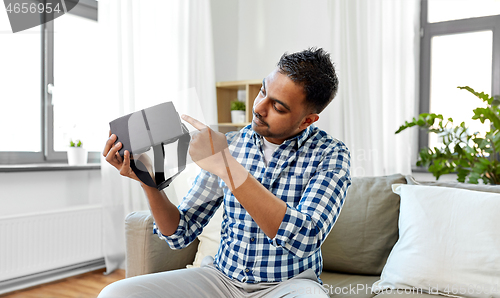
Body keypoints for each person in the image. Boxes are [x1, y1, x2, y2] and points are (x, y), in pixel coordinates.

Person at [99, 47, 351, 298]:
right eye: (263, 90)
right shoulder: (229, 144)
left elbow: (305, 238)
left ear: (307, 120)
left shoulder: (331, 155)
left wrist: (226, 165)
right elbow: (180, 232)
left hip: (289, 285)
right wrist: (149, 182)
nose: (259, 108)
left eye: (278, 107)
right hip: (221, 280)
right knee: (116, 294)